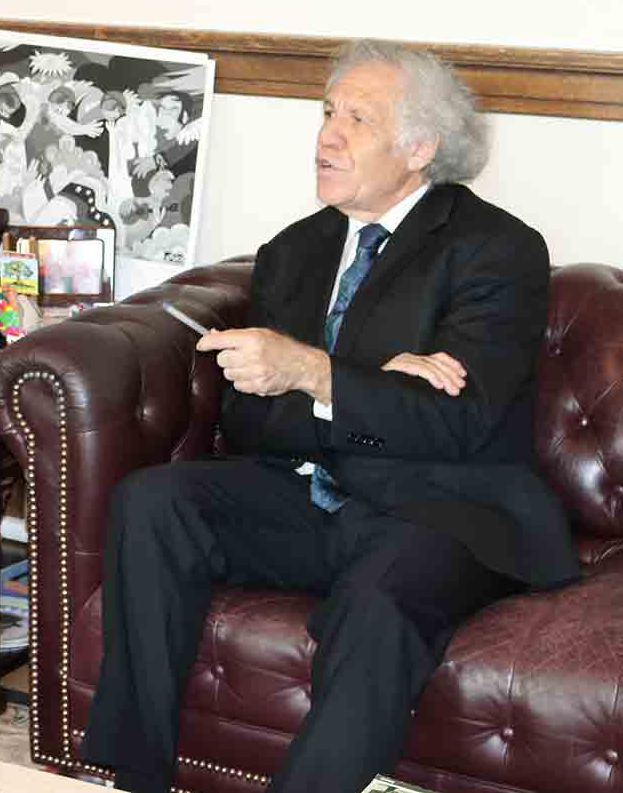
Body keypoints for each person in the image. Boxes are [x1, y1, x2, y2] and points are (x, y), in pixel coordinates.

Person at [82, 39, 578, 793]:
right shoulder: (294, 251)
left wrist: (317, 374)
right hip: (307, 496)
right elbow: (250, 422)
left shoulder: (496, 250)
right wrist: (373, 383)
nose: (327, 134)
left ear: (419, 147)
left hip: (440, 509)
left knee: (379, 602)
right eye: (326, 111)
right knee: (153, 501)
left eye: (358, 119)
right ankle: (134, 775)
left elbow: (460, 423)